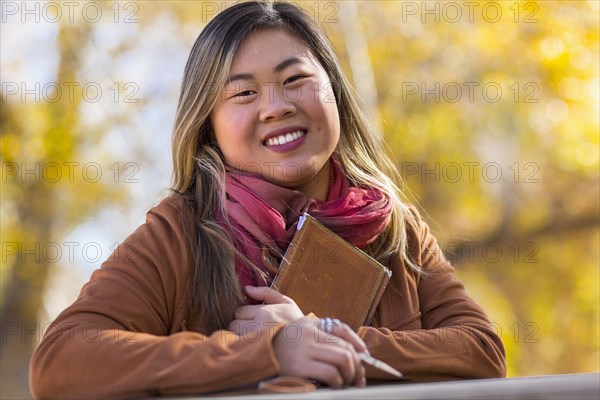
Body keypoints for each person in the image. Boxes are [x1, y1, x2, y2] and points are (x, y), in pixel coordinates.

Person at [29, 1, 506, 398]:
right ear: (208, 124)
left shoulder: (395, 227)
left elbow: (481, 352)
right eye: (243, 93)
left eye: (295, 79)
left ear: (334, 93)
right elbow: (62, 359)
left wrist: (325, 337)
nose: (276, 106)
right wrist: (267, 352)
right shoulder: (180, 232)